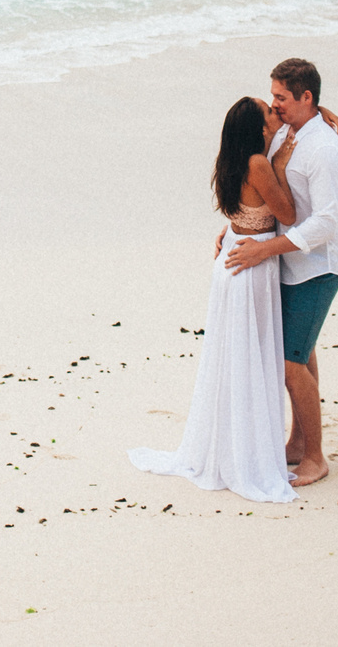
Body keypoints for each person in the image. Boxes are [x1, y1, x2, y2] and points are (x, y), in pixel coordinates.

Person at [127, 96, 304, 503]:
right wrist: (279, 163)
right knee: (251, 357)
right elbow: (289, 214)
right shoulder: (259, 164)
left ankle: (237, 443)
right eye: (269, 112)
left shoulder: (231, 160)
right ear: (258, 128)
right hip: (251, 266)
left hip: (232, 259)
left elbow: (243, 210)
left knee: (233, 356)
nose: (275, 113)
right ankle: (247, 452)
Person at [224, 57, 338, 486]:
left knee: (289, 363)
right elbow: (261, 189)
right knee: (301, 352)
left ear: (305, 98)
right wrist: (235, 227)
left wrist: (266, 250)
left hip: (316, 267)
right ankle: (298, 441)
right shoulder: (285, 134)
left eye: (281, 98)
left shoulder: (324, 148)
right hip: (287, 263)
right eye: (273, 97)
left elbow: (326, 222)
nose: (274, 106)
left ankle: (315, 456)